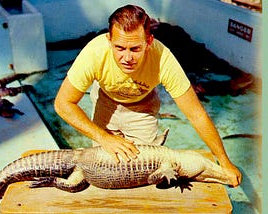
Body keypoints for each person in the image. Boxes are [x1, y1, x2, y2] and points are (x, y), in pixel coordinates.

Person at [54, 4, 242, 187]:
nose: (127, 58)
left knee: (145, 171)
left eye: (135, 49)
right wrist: (103, 137)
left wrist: (225, 162)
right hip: (106, 101)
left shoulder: (163, 59)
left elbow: (196, 114)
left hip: (142, 106)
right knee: (104, 168)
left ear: (149, 42)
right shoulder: (94, 52)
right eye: (119, 48)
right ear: (109, 40)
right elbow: (63, 104)